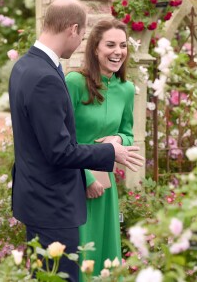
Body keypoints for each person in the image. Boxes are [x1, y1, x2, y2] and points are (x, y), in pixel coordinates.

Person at [8, 0, 143, 282]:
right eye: (82, 34)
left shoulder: (26, 67)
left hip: (41, 198)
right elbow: (59, 150)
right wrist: (109, 152)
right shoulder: (48, 76)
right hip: (55, 202)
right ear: (73, 29)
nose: (79, 40)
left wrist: (117, 140)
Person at [65, 18, 133, 278]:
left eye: (123, 45)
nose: (118, 51)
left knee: (106, 256)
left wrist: (117, 140)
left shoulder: (126, 89)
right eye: (111, 45)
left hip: (107, 185)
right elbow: (62, 138)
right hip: (75, 182)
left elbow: (127, 134)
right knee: (82, 252)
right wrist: (87, 177)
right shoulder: (74, 82)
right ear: (95, 48)